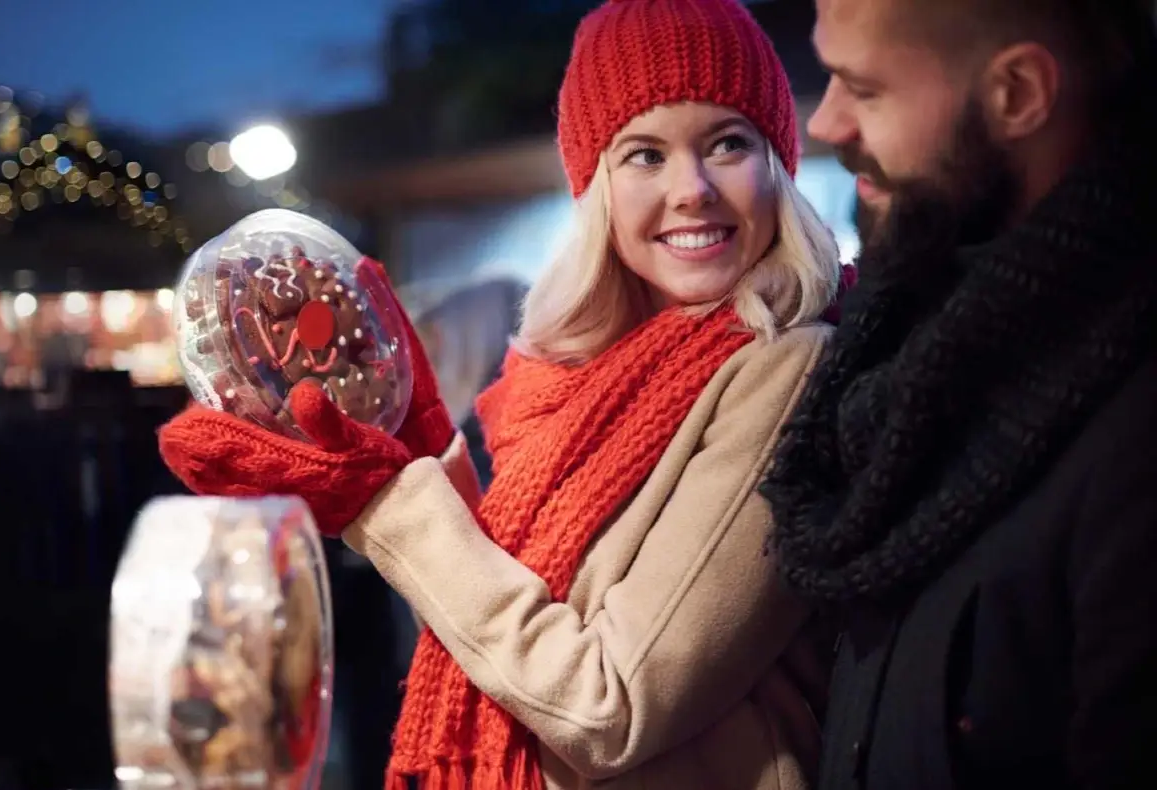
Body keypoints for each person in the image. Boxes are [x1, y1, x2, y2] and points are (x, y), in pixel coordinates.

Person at [159, 0, 848, 787]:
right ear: (597, 186)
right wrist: (429, 459)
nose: (691, 189)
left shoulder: (786, 366)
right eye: (645, 154)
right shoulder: (572, 377)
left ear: (777, 162)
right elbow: (510, 638)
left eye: (728, 143)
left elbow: (607, 709)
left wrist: (390, 506)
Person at [759, 1, 1157, 789]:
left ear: (1017, 94)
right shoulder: (898, 334)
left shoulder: (1130, 439)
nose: (826, 123)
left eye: (864, 89)